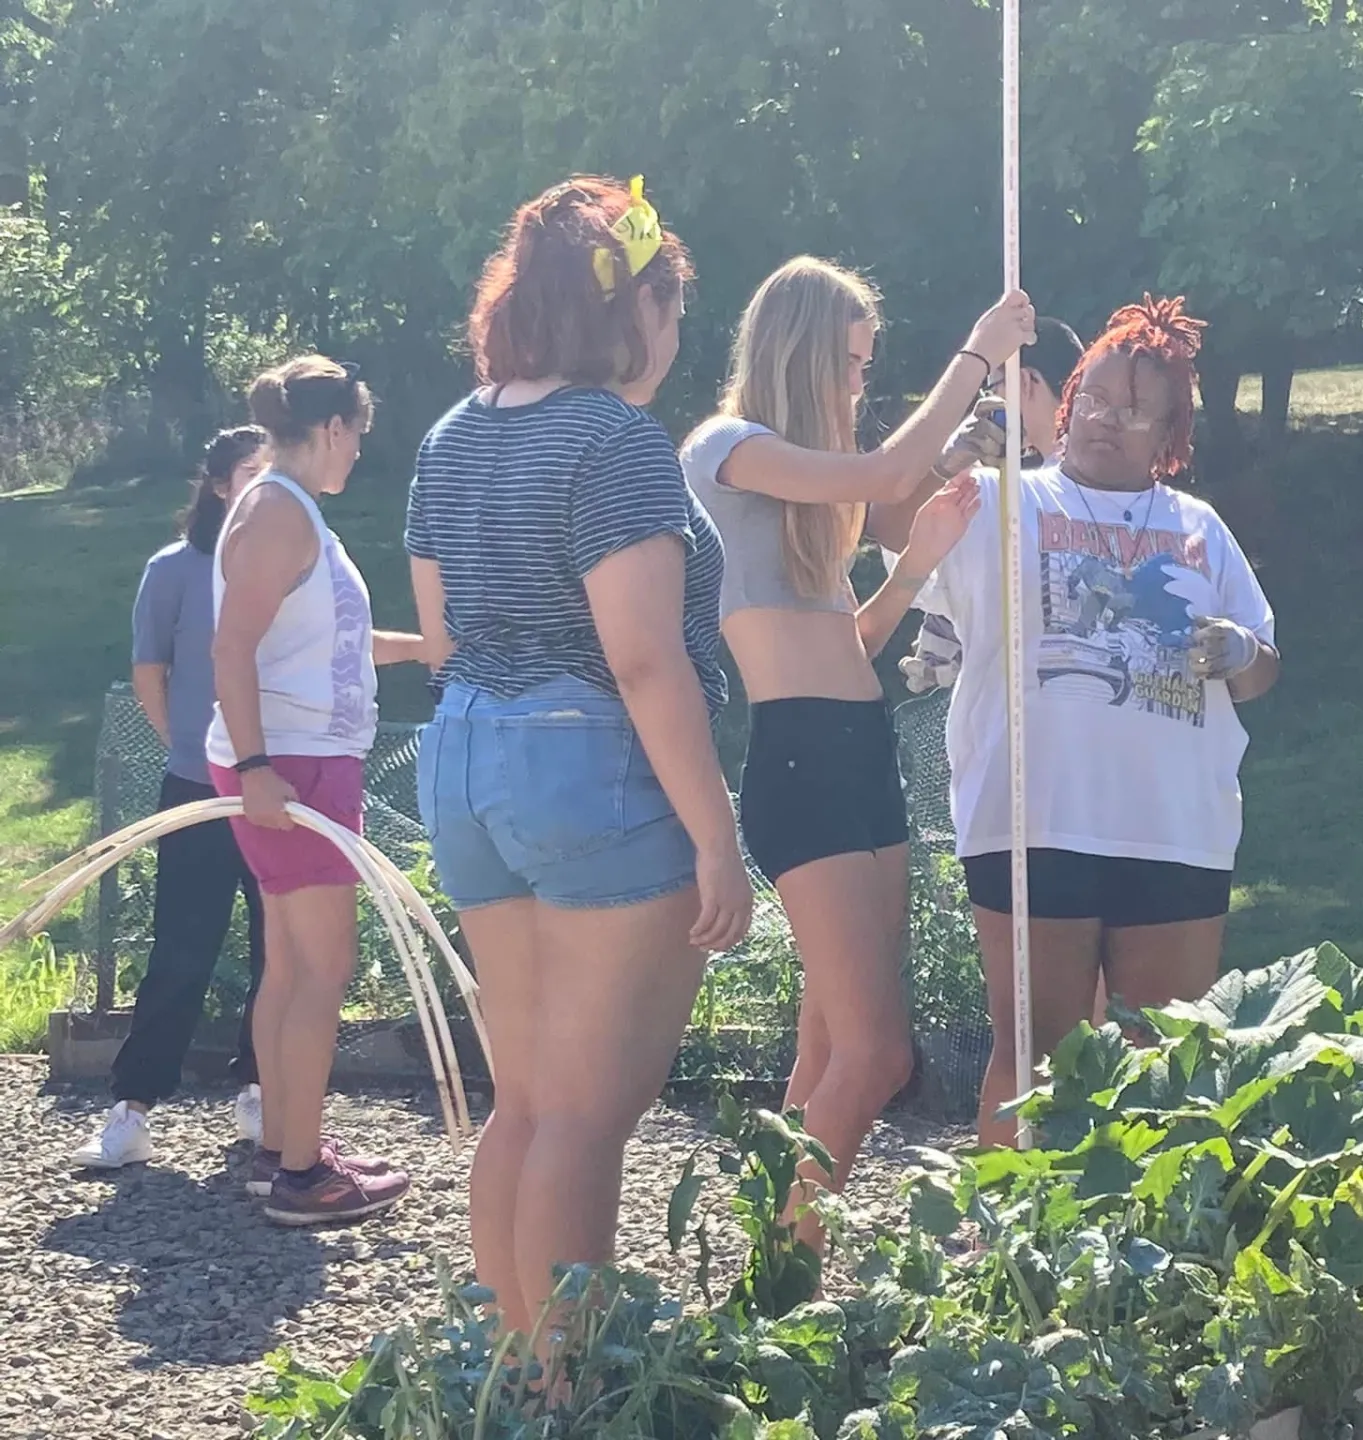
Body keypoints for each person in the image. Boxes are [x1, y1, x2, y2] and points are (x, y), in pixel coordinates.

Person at [406, 176, 752, 1340]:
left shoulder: (451, 434)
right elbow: (645, 662)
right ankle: (573, 1392)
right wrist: (716, 836)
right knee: (586, 1119)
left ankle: (511, 1373)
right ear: (629, 306)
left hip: (462, 756)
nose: (676, 332)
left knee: (527, 1103)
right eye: (671, 306)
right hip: (589, 769)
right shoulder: (616, 440)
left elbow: (442, 639)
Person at [870, 295, 1280, 1149]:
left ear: (1169, 434)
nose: (1102, 419)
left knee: (1164, 1063)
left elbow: (1262, 670)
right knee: (1034, 1055)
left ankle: (1144, 1232)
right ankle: (1006, 1229)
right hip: (1031, 819)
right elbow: (885, 519)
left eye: (1132, 410)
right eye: (1091, 396)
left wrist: (1240, 649)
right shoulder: (997, 501)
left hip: (1174, 827)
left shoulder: (1200, 529)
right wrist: (954, 445)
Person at [681, 257, 1033, 1249]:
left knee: (831, 1046)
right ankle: (784, 1275)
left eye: (866, 364)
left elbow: (854, 642)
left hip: (860, 751)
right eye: (849, 362)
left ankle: (778, 1262)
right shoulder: (726, 449)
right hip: (801, 764)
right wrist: (978, 353)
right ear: (797, 353)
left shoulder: (808, 503)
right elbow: (883, 475)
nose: (858, 382)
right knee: (878, 1056)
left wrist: (916, 563)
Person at [208, 355, 430, 1227]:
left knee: (293, 965)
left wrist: (426, 649)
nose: (358, 453)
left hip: (296, 762)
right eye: (357, 436)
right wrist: (256, 768)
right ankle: (303, 1175)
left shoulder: (286, 507)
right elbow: (231, 648)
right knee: (322, 970)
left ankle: (284, 1149)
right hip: (292, 769)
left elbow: (325, 640)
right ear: (334, 427)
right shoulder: (277, 511)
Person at [72, 428, 273, 1170]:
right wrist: (191, 747)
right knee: (182, 949)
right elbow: (149, 672)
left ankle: (262, 1093)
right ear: (219, 484)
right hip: (198, 788)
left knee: (281, 950)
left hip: (285, 788)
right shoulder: (174, 570)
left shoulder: (298, 566)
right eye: (250, 472)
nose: (263, 484)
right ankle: (132, 1109)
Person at [899, 316, 1083, 696]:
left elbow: (923, 578)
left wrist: (949, 466)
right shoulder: (1099, 478)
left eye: (994, 386)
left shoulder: (1034, 494)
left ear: (1025, 383)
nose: (988, 399)